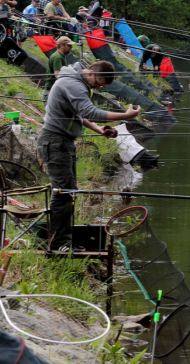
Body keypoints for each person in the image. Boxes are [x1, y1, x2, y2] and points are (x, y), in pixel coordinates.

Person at [38, 61, 140, 252]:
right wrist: (125, 116)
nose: (98, 87)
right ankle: (59, 244)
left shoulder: (75, 81)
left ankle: (63, 240)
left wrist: (98, 129)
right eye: (99, 83)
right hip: (55, 142)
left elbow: (76, 113)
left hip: (62, 142)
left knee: (68, 192)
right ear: (91, 73)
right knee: (63, 193)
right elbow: (90, 111)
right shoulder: (73, 84)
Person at [43, 36, 73, 101]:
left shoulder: (61, 56)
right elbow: (58, 75)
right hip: (51, 92)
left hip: (54, 91)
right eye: (69, 45)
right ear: (62, 46)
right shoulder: (58, 57)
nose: (71, 47)